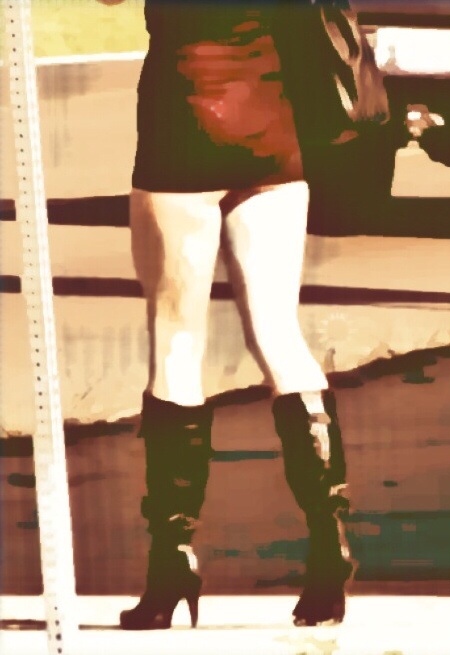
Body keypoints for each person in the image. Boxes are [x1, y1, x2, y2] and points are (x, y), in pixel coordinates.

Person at [96, 0, 389, 630]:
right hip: (272, 136)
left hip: (181, 130)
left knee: (176, 344)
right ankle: (328, 544)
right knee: (280, 336)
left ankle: (172, 564)